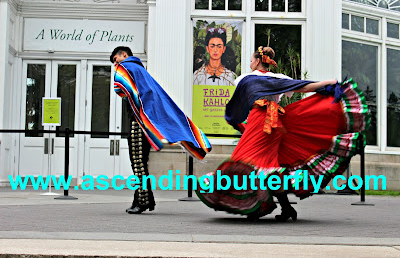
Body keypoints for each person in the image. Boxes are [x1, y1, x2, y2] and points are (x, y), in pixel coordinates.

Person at [196, 46, 370, 221]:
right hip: (275, 124)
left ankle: (256, 207)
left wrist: (233, 118)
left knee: (247, 162)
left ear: (257, 61)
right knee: (267, 167)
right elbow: (304, 87)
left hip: (259, 123)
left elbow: (238, 105)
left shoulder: (245, 79)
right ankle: (286, 208)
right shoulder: (280, 79)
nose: (250, 64)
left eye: (251, 61)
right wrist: (328, 83)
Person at [110, 46, 212, 214]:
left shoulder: (127, 67)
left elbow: (119, 89)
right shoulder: (141, 71)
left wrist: (119, 72)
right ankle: (144, 199)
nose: (116, 64)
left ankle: (142, 201)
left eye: (116, 59)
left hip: (139, 123)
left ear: (124, 54)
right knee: (141, 163)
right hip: (145, 125)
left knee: (138, 164)